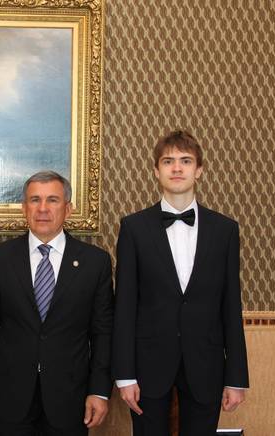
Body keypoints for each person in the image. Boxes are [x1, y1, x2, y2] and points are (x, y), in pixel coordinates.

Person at [112, 130, 249, 435]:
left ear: (198, 170)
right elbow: (125, 305)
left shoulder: (225, 230)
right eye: (168, 161)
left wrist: (236, 377)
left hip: (206, 363)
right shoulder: (133, 228)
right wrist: (125, 375)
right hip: (147, 365)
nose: (177, 168)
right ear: (156, 170)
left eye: (185, 161)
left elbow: (231, 306)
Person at [0, 170, 113, 435]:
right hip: (8, 396)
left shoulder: (95, 263)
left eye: (53, 200)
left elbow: (103, 333)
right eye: (35, 200)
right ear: (24, 208)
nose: (43, 209)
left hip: (70, 397)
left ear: (68, 209)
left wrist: (99, 391)